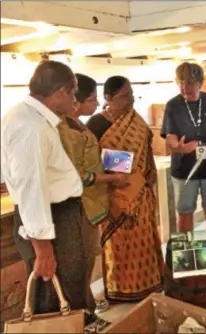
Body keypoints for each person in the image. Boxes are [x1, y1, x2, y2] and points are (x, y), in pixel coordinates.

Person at [0, 61, 96, 326]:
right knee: (56, 298)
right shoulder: (31, 127)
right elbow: (32, 188)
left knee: (66, 291)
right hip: (52, 221)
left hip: (55, 217)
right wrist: (43, 250)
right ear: (61, 91)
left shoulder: (27, 117)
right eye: (74, 93)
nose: (75, 100)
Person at [58, 73, 128, 327]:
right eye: (91, 99)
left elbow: (98, 156)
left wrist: (118, 168)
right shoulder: (66, 130)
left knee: (87, 262)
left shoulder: (79, 126)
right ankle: (84, 317)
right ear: (74, 101)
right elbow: (79, 174)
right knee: (80, 266)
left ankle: (87, 310)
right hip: (81, 206)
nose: (96, 104)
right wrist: (111, 179)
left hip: (93, 205)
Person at [86, 75, 164, 302]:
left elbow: (146, 152)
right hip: (115, 196)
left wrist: (149, 176)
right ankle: (122, 290)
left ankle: (150, 285)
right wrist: (115, 176)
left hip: (140, 193)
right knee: (119, 246)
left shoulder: (136, 121)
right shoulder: (96, 124)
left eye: (131, 94)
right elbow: (92, 162)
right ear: (108, 98)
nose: (130, 100)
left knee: (145, 242)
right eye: (123, 96)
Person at [161, 62, 206, 233]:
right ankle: (187, 255)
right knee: (185, 212)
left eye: (190, 83)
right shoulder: (173, 105)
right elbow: (169, 136)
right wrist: (178, 147)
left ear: (200, 83)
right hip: (184, 169)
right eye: (180, 82)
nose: (184, 87)